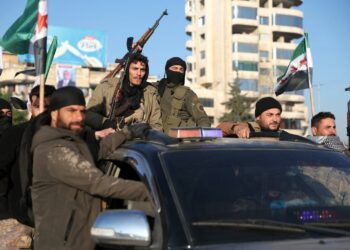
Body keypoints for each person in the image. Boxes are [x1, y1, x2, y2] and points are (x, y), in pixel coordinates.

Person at [31, 86, 149, 250]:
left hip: (78, 240)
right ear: (54, 113)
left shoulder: (70, 141)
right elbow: (98, 183)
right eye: (71, 111)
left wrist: (126, 133)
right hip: (62, 243)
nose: (79, 117)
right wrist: (152, 190)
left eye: (82, 111)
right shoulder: (54, 150)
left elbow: (98, 150)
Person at [86, 53, 162, 131]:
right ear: (126, 69)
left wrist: (146, 133)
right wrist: (105, 122)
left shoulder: (150, 92)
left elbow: (156, 125)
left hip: (139, 140)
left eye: (142, 70)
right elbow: (88, 114)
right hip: (109, 137)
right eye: (135, 69)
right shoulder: (107, 87)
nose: (139, 74)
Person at [157, 57, 210, 134]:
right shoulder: (156, 88)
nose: (178, 71)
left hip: (179, 142)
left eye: (181, 69)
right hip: (156, 140)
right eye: (175, 68)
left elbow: (203, 120)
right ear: (167, 70)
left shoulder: (188, 94)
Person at [218, 96, 282, 138]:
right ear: (258, 117)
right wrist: (236, 128)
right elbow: (219, 129)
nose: (275, 119)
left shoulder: (285, 137)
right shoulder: (248, 130)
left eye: (278, 115)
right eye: (270, 115)